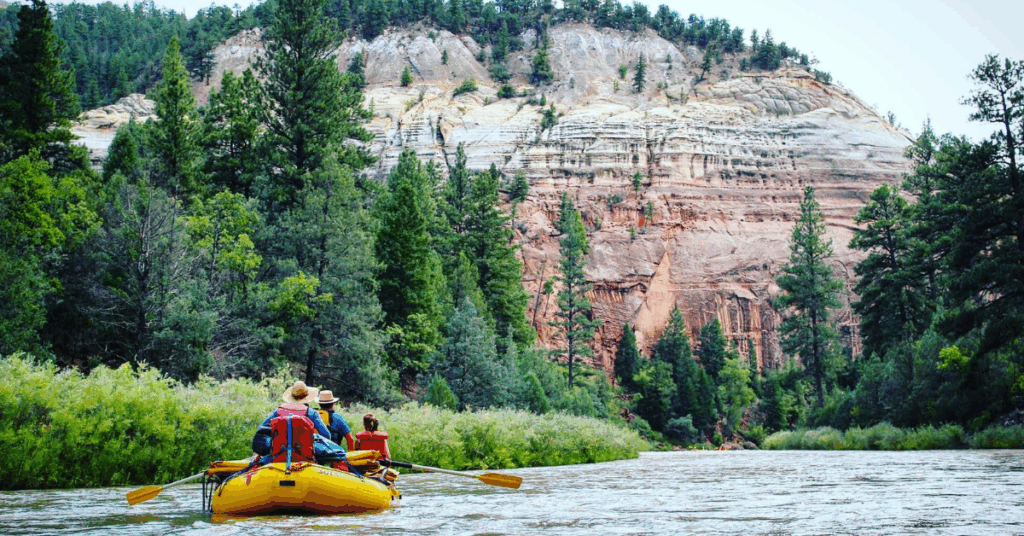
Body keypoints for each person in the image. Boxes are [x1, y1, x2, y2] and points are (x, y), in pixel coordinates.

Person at [257, 380, 331, 438]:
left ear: (291, 396)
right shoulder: (312, 413)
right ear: (306, 397)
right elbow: (326, 435)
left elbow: (261, 428)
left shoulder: (278, 410)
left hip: (279, 453)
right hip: (305, 454)